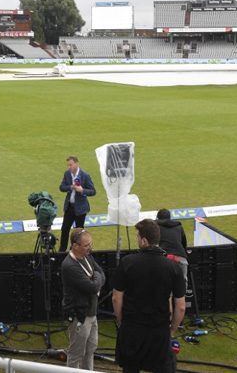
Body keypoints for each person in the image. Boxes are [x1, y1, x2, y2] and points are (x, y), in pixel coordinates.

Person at [112, 218, 186, 373]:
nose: (137, 239)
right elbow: (180, 306)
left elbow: (116, 298)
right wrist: (172, 329)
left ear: (144, 240)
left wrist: (122, 320)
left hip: (132, 329)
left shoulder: (127, 263)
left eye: (138, 237)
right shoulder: (173, 267)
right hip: (158, 331)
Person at [61, 228, 106, 370]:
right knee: (76, 354)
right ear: (75, 246)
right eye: (87, 245)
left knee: (90, 349)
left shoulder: (87, 256)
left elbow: (101, 274)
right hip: (79, 315)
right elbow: (93, 287)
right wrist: (96, 281)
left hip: (91, 312)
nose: (90, 248)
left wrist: (95, 280)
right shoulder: (69, 265)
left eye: (90, 244)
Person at [59, 156, 96, 252]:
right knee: (65, 229)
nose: (69, 167)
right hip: (69, 207)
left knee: (79, 233)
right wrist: (71, 187)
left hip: (80, 209)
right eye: (68, 165)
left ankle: (78, 251)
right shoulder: (67, 174)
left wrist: (82, 190)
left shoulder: (85, 175)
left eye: (70, 165)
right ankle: (62, 251)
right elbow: (62, 187)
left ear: (76, 164)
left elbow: (93, 191)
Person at [156, 209, 188, 292]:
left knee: (166, 290)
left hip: (164, 259)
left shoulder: (155, 227)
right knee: (182, 289)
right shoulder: (178, 226)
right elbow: (184, 243)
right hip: (181, 258)